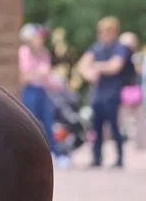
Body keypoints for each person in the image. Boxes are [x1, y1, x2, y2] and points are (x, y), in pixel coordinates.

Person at [77, 16, 130, 169]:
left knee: (114, 127)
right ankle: (96, 157)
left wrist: (96, 67)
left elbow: (116, 66)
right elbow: (83, 64)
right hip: (98, 94)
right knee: (96, 128)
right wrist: (89, 73)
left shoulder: (119, 47)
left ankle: (119, 158)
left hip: (112, 94)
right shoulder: (97, 47)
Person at [17, 24, 68, 167]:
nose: (41, 39)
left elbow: (46, 75)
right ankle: (27, 155)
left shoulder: (44, 52)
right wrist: (40, 73)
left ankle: (57, 154)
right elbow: (24, 77)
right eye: (37, 36)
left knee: (48, 122)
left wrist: (56, 84)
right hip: (30, 91)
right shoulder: (24, 52)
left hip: (43, 91)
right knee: (30, 123)